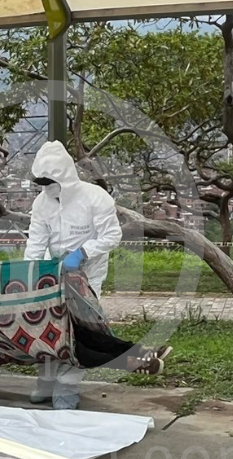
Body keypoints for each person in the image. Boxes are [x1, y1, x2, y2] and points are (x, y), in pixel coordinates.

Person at [24, 141, 169, 410]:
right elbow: (36, 240)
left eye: (50, 181)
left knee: (81, 329)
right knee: (48, 326)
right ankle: (45, 382)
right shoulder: (41, 203)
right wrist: (31, 271)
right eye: (42, 182)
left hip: (88, 273)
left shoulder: (95, 198)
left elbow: (112, 235)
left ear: (64, 177)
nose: (46, 187)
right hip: (52, 273)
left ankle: (67, 386)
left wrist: (82, 252)